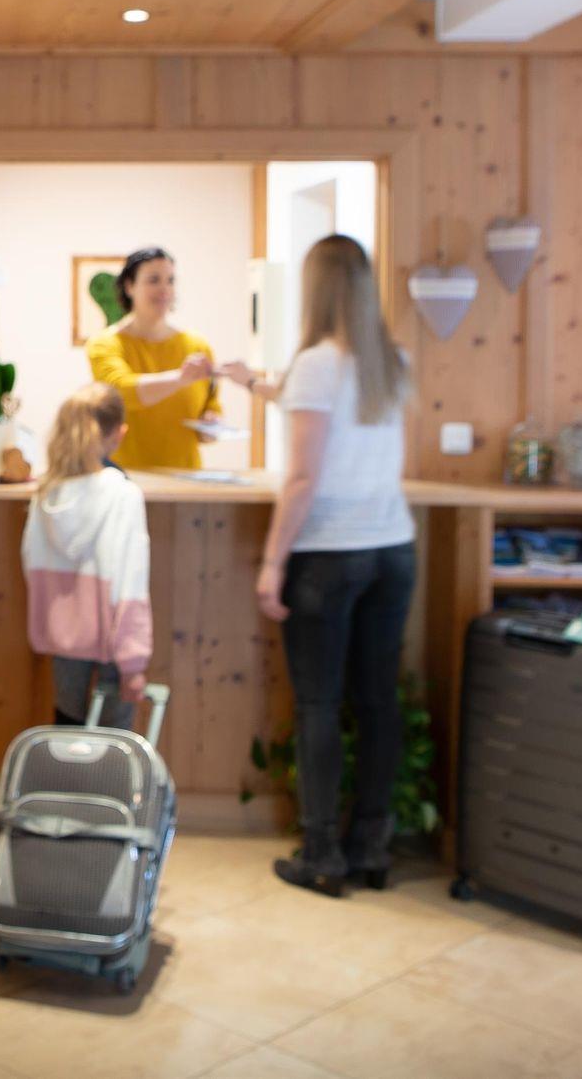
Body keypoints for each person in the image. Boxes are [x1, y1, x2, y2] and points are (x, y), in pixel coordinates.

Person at [246, 236, 416, 897]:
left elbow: (303, 477)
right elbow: (321, 410)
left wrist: (272, 561)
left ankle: (321, 855)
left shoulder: (318, 364)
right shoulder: (391, 362)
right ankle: (370, 847)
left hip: (329, 555)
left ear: (316, 290)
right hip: (392, 549)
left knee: (319, 703)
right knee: (377, 703)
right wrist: (250, 383)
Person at [20, 383, 151, 729]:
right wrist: (133, 662)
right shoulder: (123, 495)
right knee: (114, 741)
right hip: (113, 636)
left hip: (61, 633)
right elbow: (131, 580)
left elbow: (30, 562)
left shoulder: (45, 494)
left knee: (67, 728)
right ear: (118, 434)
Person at [84, 247, 224, 472]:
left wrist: (211, 425)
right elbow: (122, 391)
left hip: (186, 479)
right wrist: (180, 379)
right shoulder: (104, 344)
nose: (164, 289)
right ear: (129, 286)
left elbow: (211, 408)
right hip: (125, 478)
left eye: (170, 280)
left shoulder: (198, 346)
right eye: (154, 280)